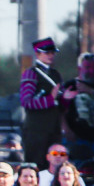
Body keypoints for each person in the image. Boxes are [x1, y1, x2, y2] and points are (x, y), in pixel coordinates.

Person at [58, 52, 94, 167]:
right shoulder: (71, 85)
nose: (91, 71)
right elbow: (60, 110)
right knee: (78, 167)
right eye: (87, 67)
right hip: (77, 139)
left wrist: (89, 90)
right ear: (80, 68)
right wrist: (67, 130)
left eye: (93, 67)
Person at [20, 38, 63, 171]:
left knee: (54, 167)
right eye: (47, 52)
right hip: (36, 131)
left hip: (54, 129)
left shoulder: (56, 74)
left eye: (52, 52)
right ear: (37, 54)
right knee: (35, 167)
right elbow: (26, 101)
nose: (51, 55)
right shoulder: (31, 73)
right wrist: (50, 99)